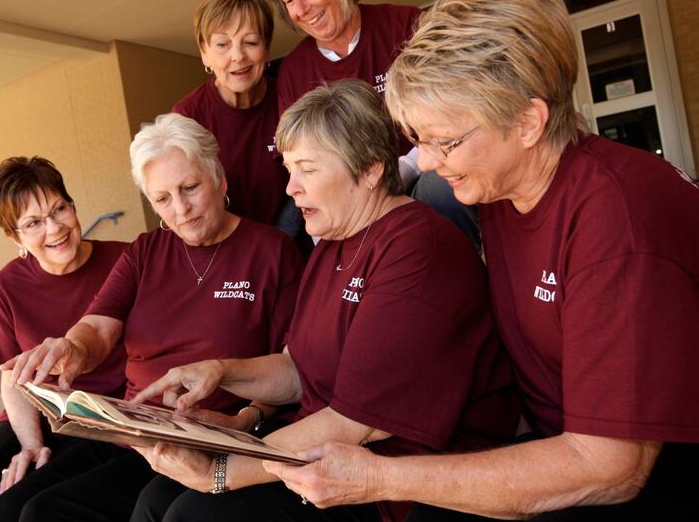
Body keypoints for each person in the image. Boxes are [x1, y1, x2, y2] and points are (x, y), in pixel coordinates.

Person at [265, 0, 699, 521]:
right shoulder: (501, 189)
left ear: (527, 122)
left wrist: (378, 475)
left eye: (444, 142)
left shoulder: (617, 222)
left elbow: (612, 467)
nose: (423, 163)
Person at [131, 80, 519, 522]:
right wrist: (221, 373)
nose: (291, 189)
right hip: (323, 449)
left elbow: (357, 422)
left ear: (371, 168)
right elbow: (298, 368)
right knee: (155, 500)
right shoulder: (331, 242)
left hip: (391, 478)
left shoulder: (416, 246)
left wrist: (221, 472)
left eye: (307, 170)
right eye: (289, 171)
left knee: (195, 513)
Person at [0, 113, 304, 522]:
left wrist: (244, 419)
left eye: (190, 188)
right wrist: (72, 348)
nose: (181, 209)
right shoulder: (145, 252)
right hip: (134, 430)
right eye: (162, 199)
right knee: (22, 510)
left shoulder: (271, 251)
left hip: (209, 433)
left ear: (220, 179)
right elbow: (98, 328)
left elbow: (291, 366)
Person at [0, 156, 128, 522]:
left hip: (101, 415)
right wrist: (31, 444)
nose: (55, 229)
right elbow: (11, 376)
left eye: (59, 209)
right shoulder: (6, 287)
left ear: (72, 205)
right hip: (33, 412)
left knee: (12, 511)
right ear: (14, 236)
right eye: (34, 223)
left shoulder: (125, 260)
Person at [262, 0, 479, 249]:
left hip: (422, 178)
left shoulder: (404, 25)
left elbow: (451, 114)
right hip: (349, 205)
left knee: (442, 186)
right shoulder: (294, 71)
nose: (300, 9)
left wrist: (406, 169)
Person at [173, 0, 292, 232]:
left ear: (267, 46)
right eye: (222, 44)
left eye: (250, 41)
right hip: (226, 250)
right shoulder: (188, 118)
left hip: (292, 241)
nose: (238, 56)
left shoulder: (289, 95)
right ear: (204, 53)